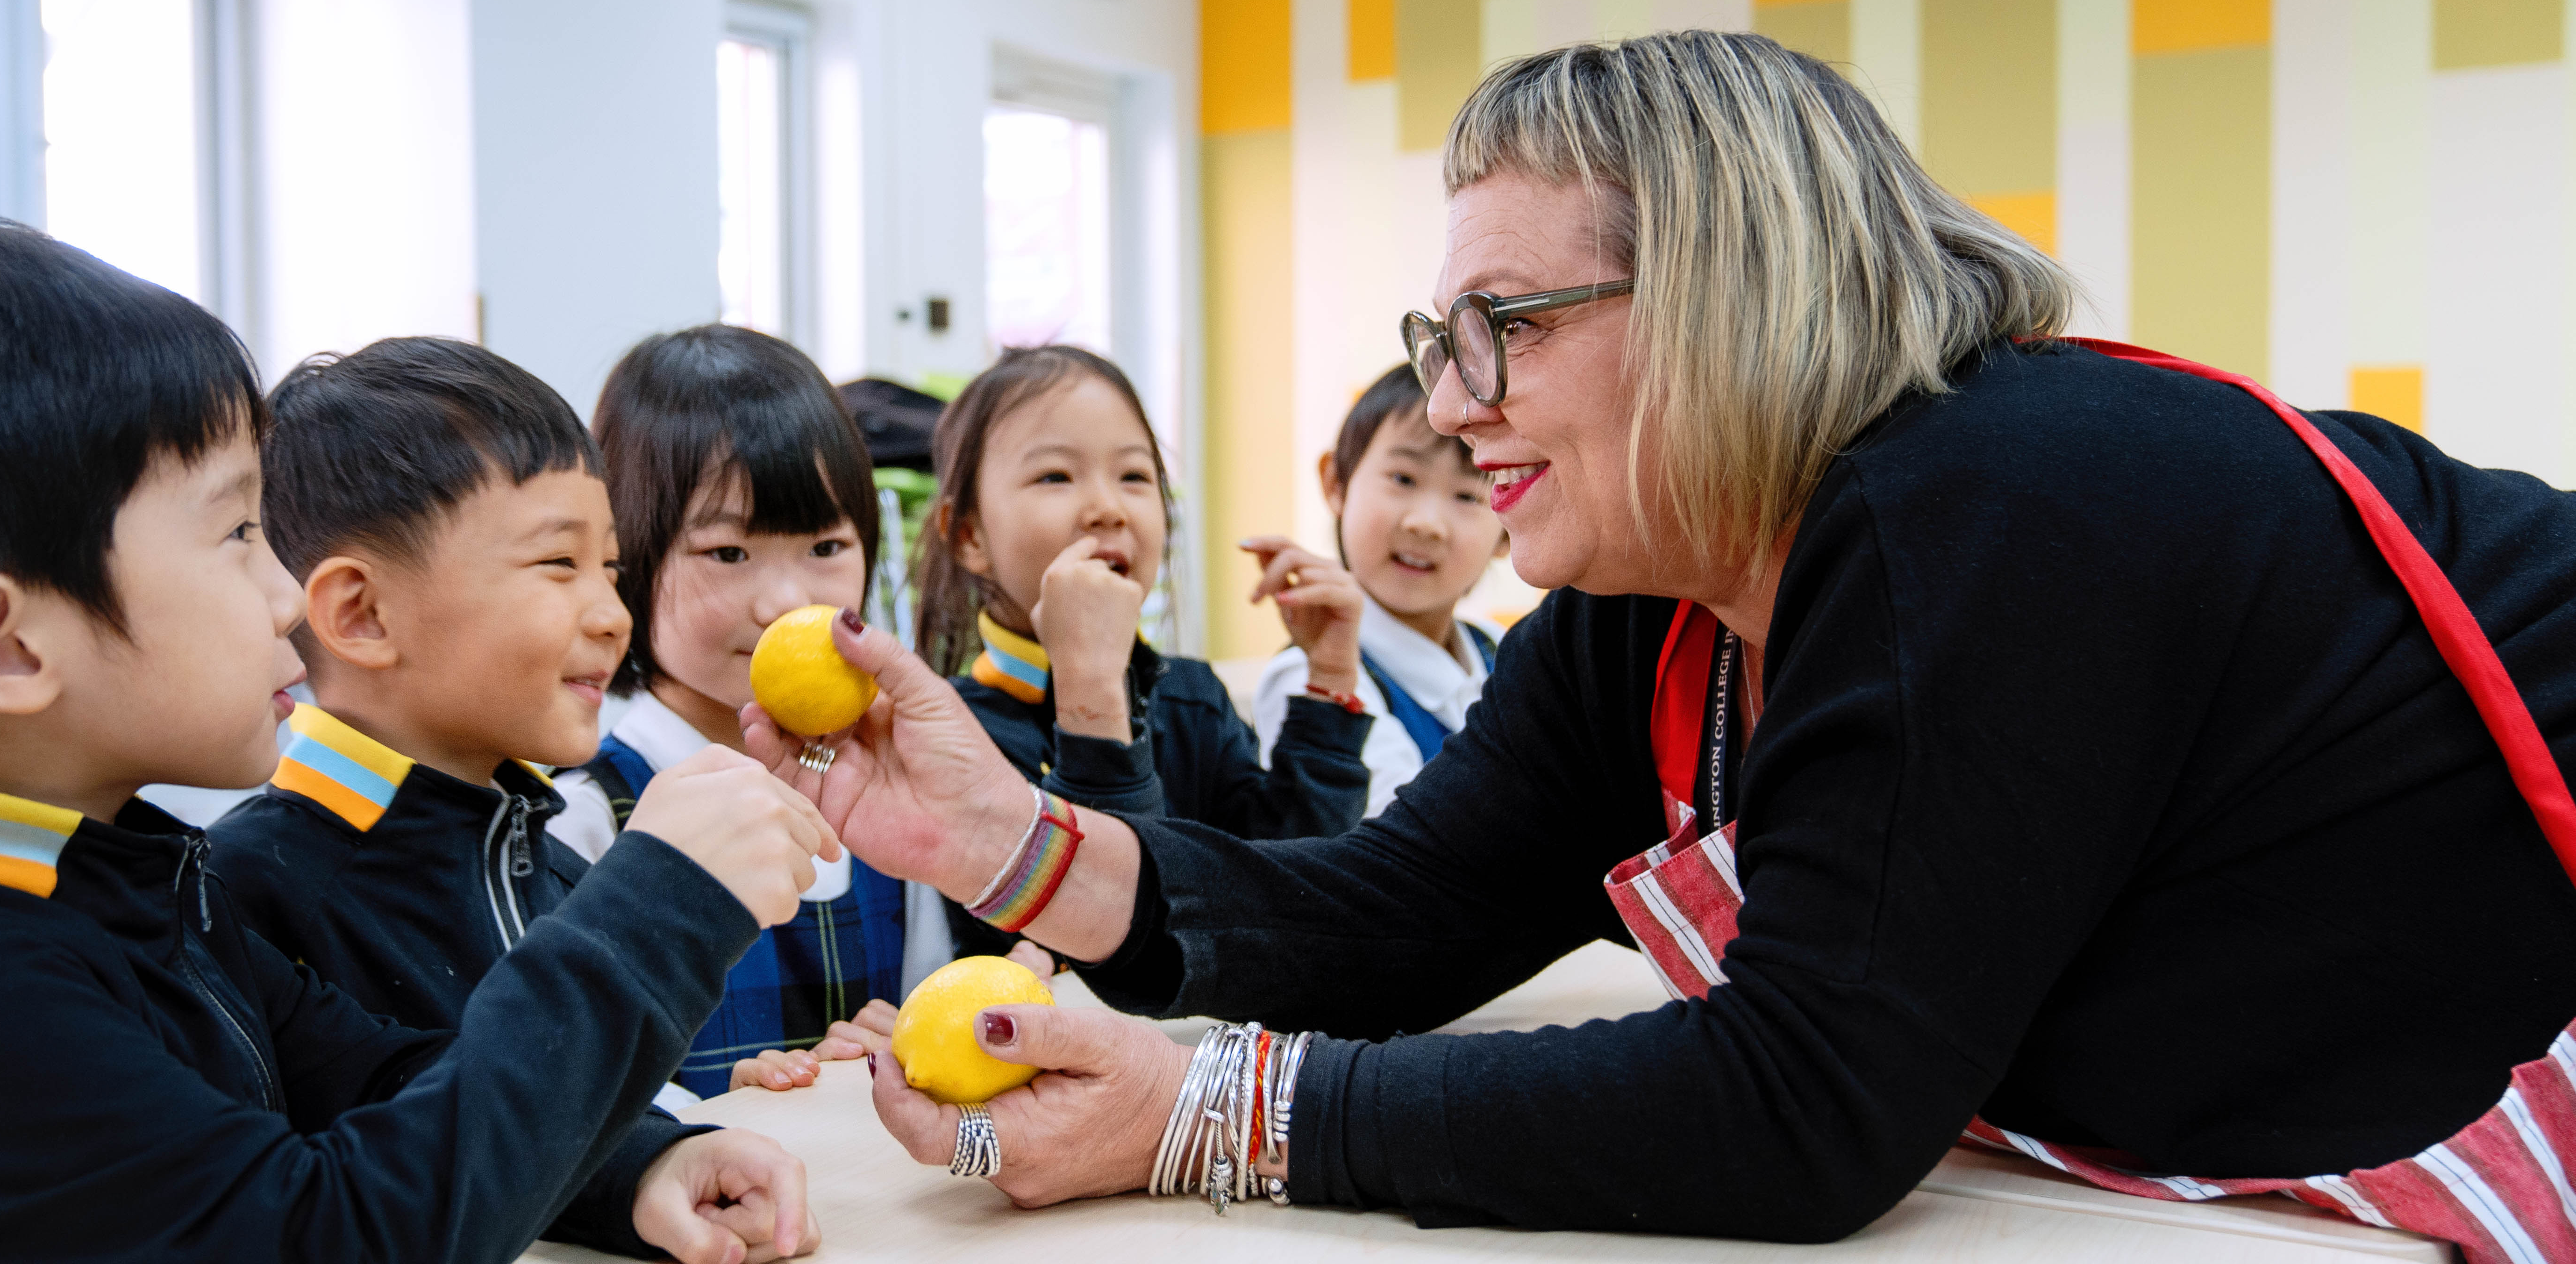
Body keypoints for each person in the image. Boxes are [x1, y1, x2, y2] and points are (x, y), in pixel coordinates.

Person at [740, 32, 2576, 1263]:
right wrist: (998, 842)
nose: (1453, 413)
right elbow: (1389, 915)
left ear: (1723, 293)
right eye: (1431, 340)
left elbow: (1802, 1109)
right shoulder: (1656, 600)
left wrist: (1205, 1109)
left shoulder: (1996, 501)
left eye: (1503, 329)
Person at [0, 221, 833, 1264]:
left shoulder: (98, 875)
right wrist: (656, 908)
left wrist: (631, 1166)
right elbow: (337, 1228)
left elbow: (376, 1079)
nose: (286, 591)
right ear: (0, 644)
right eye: (237, 531)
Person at [202, 336, 815, 1205]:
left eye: (611, 568)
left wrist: (662, 1145)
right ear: (363, 613)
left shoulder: (549, 859)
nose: (611, 615)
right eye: (557, 564)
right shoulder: (244, 897)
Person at [542, 325, 928, 1100]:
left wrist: (906, 1046)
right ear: (628, 564)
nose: (788, 602)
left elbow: (930, 1016)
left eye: (825, 548)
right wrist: (706, 1115)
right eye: (728, 554)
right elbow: (562, 1101)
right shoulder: (583, 821)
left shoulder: (892, 802)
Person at [913, 345, 1376, 956]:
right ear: (968, 535)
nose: (1108, 508)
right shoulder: (951, 729)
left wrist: (1328, 676)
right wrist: (1090, 690)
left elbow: (1286, 883)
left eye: (1134, 476)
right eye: (1054, 476)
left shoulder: (1189, 696)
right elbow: (1082, 932)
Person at [1255, 363, 1509, 814]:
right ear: (1337, 483)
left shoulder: (1505, 653)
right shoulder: (1309, 681)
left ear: (1509, 525)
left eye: (1468, 496)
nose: (1426, 523)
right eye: (1403, 479)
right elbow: (1404, 842)